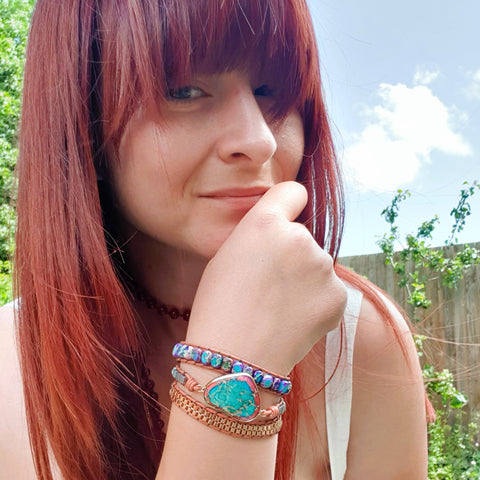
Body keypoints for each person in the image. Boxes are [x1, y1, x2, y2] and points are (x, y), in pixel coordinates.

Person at [0, 0, 430, 478]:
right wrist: (237, 363)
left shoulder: (360, 339)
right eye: (185, 89)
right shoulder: (8, 364)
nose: (259, 139)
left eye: (271, 89)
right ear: (82, 116)